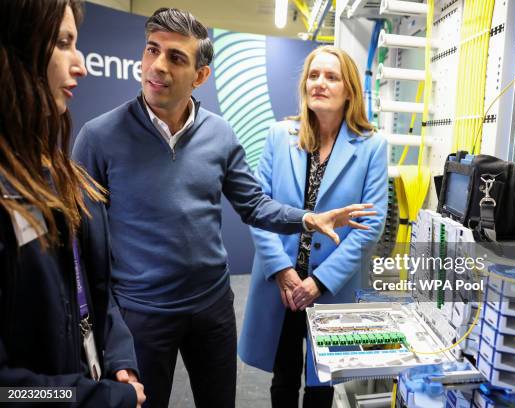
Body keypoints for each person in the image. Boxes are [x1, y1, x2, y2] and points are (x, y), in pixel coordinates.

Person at [72, 8, 374, 408]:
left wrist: (306, 219)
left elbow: (254, 205)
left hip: (211, 309)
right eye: (151, 50)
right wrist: (111, 339)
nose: (157, 67)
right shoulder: (97, 139)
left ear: (200, 76)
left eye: (176, 57)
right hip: (141, 315)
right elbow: (85, 257)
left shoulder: (219, 133)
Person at [0, 1, 146, 406]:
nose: (80, 65)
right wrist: (103, 399)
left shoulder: (61, 170)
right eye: (63, 43)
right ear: (18, 46)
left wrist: (119, 357)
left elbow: (97, 288)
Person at [238, 46, 388, 407]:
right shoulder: (279, 135)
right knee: (284, 377)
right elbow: (260, 209)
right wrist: (283, 271)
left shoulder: (371, 146)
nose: (319, 83)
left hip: (330, 288)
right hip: (283, 285)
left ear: (349, 90)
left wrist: (320, 282)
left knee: (322, 384)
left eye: (331, 77)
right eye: (313, 75)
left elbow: (371, 224)